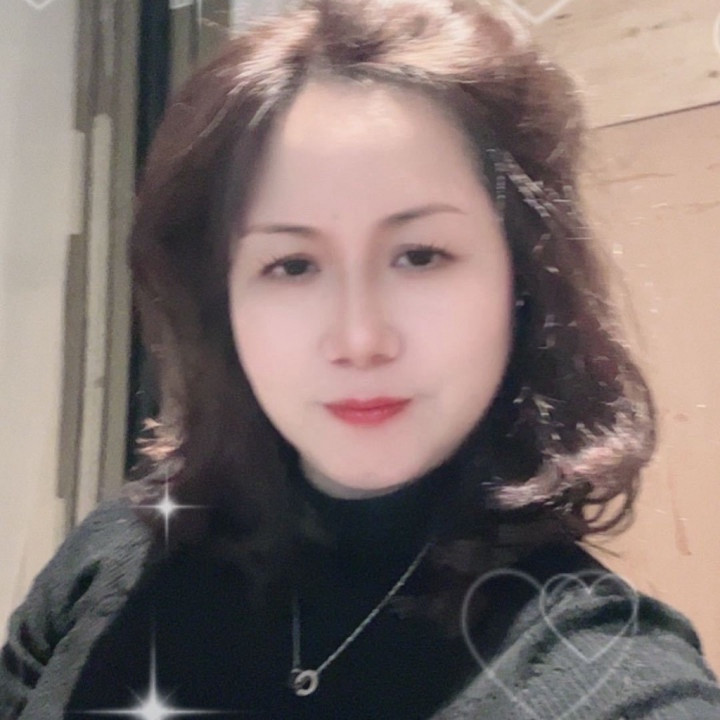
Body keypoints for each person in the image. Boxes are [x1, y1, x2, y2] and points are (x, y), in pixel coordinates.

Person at [2, 0, 719, 718]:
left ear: (523, 278)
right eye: (292, 265)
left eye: (420, 255)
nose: (359, 338)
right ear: (222, 303)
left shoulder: (605, 673)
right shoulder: (114, 562)